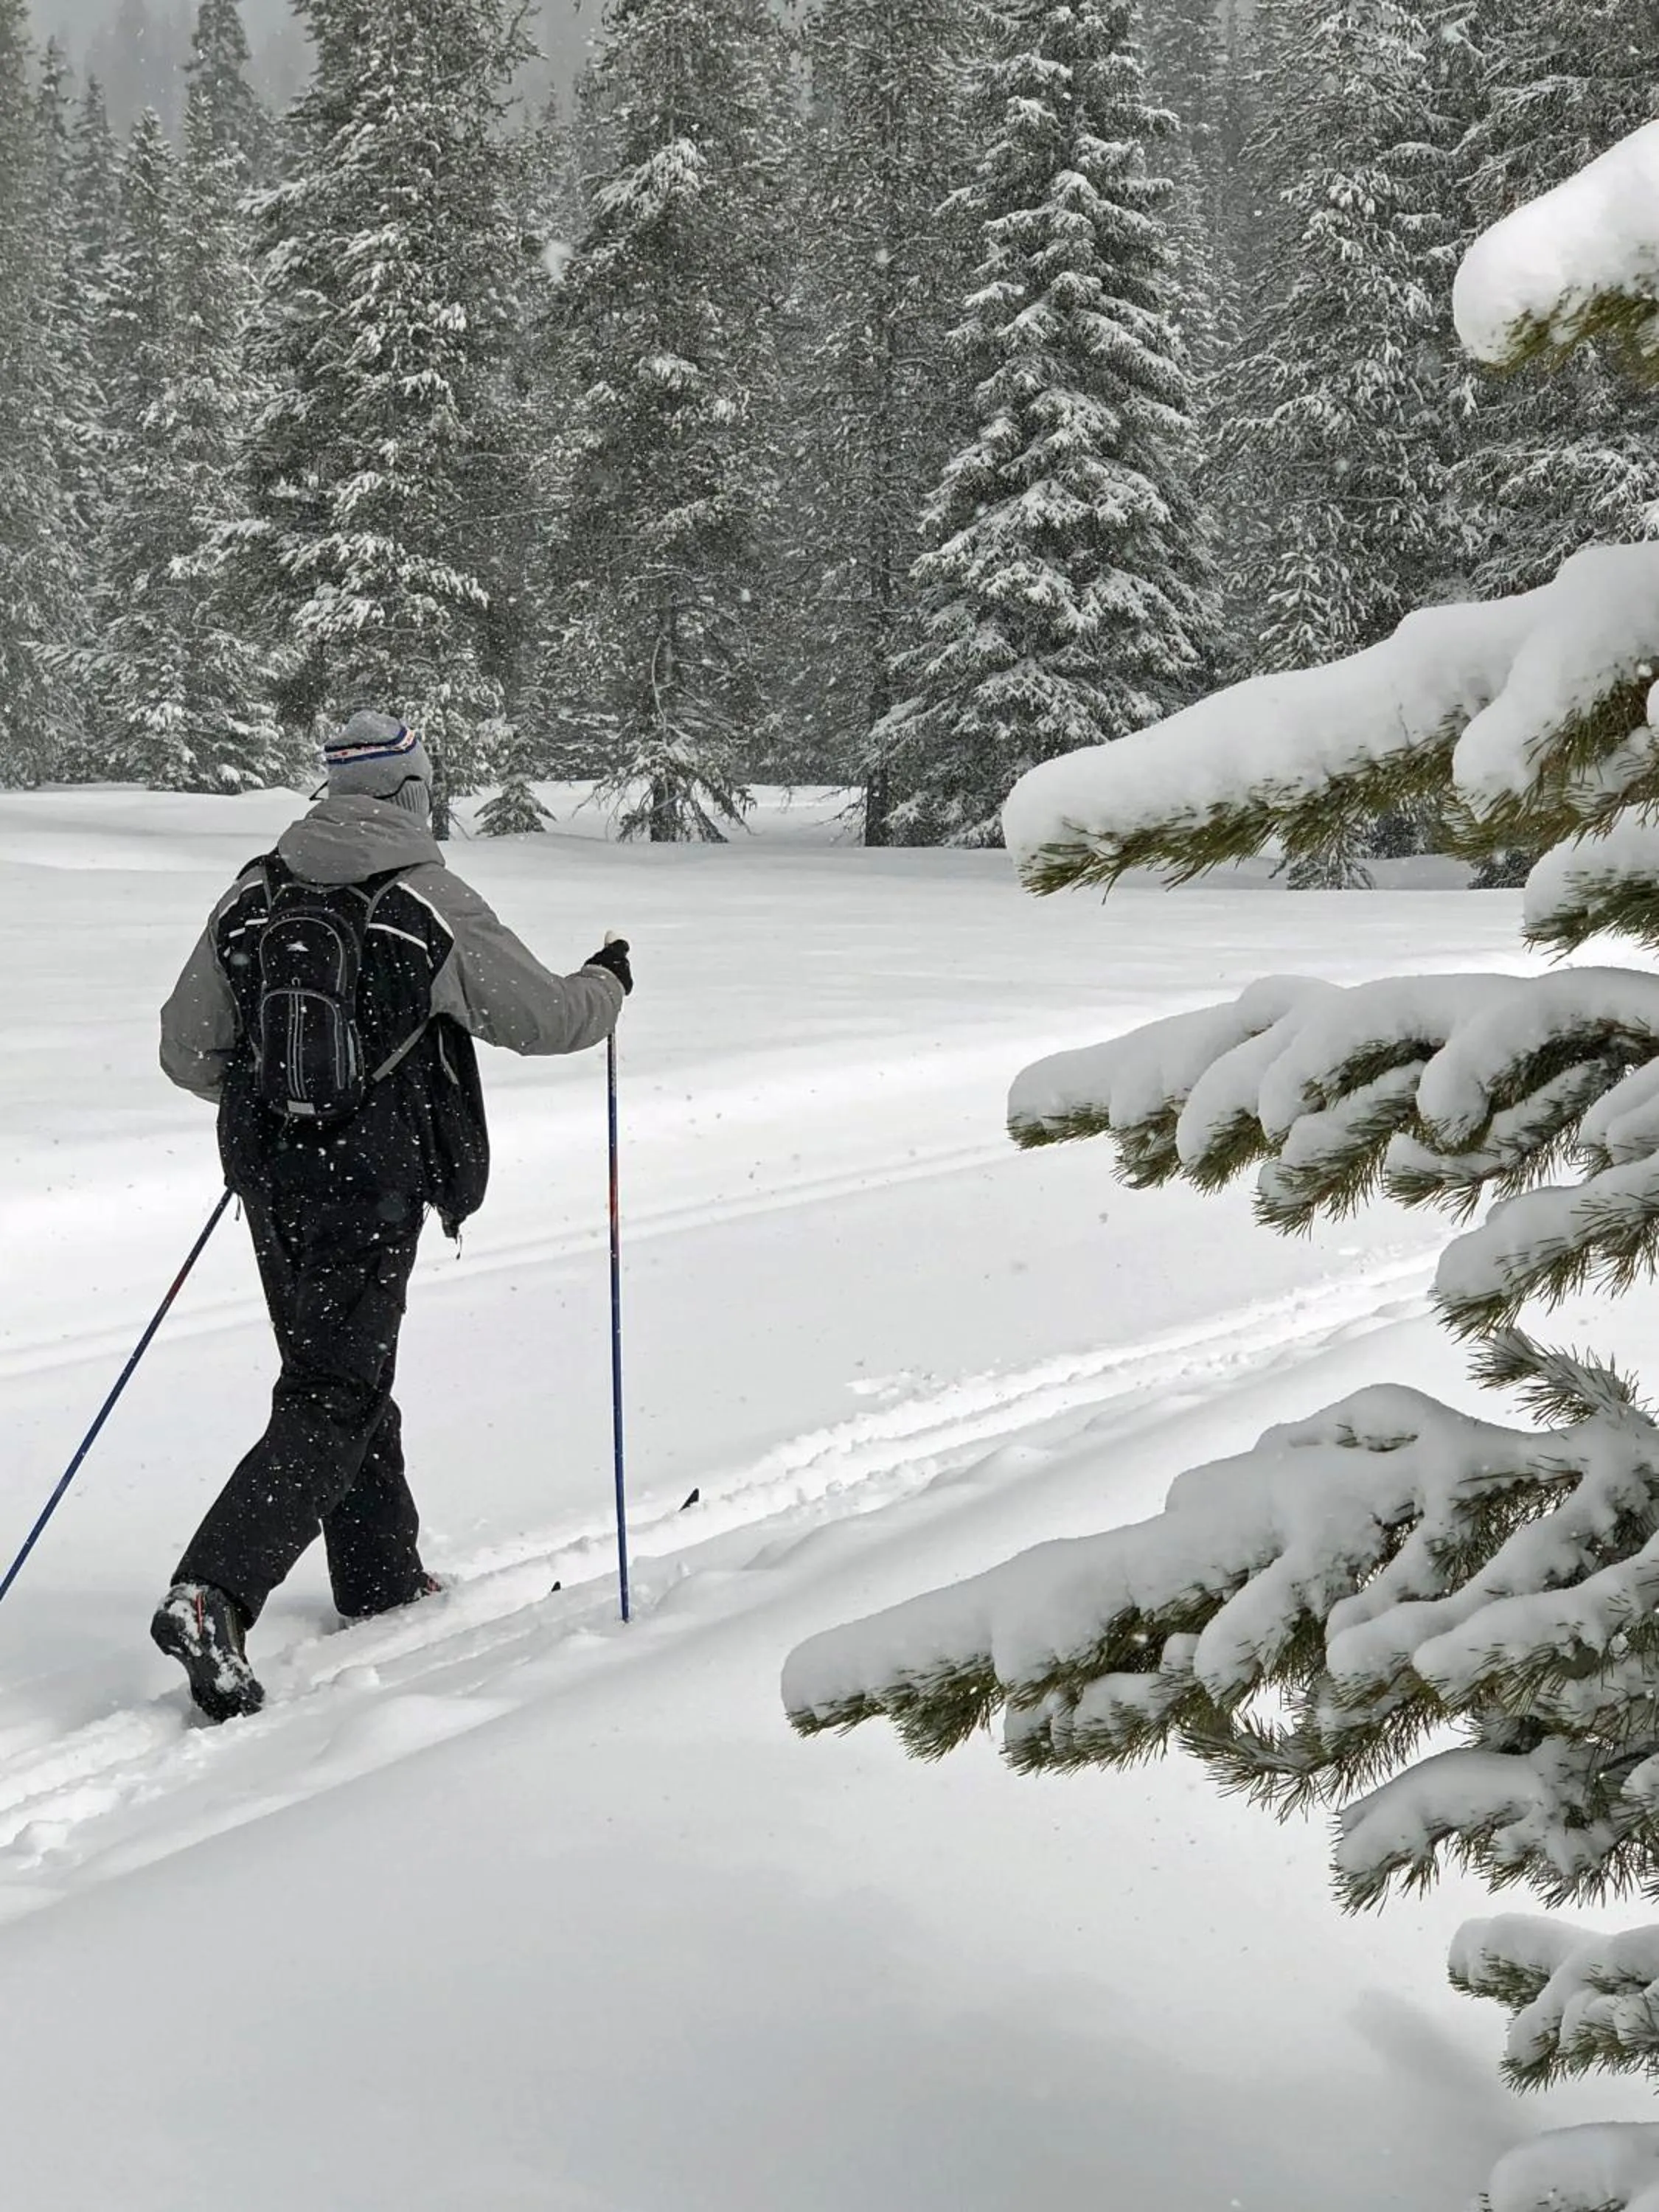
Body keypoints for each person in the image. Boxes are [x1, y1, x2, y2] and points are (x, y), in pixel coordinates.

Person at [152, 711, 630, 1722]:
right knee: (335, 1385)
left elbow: (187, 1051)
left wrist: (284, 1104)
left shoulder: (253, 893)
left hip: (274, 1180)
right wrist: (608, 983)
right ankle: (214, 1591)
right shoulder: (424, 897)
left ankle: (379, 1578)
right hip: (374, 1179)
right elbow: (544, 1021)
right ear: (411, 791)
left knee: (338, 1371)